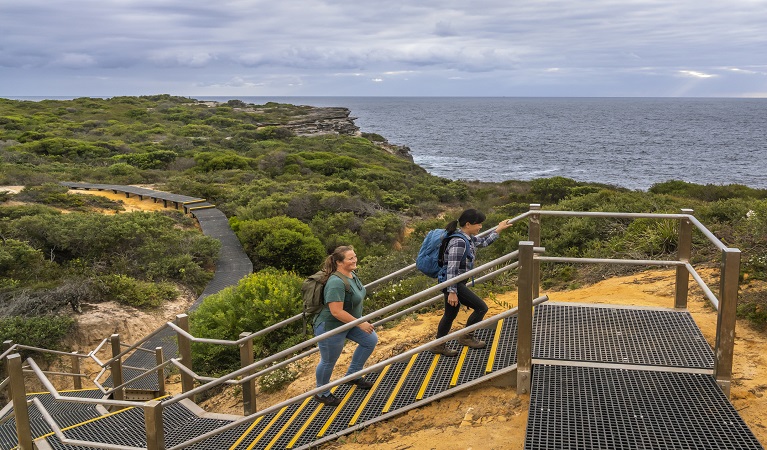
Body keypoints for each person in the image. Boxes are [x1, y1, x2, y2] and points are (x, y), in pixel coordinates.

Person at [431, 209, 513, 356]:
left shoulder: (467, 237)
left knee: (450, 315)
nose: (480, 227)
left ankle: (439, 344)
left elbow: (484, 242)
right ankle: (466, 337)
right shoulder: (459, 242)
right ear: (468, 224)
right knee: (481, 308)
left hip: (455, 282)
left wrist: (498, 230)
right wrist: (452, 291)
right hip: (454, 283)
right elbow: (452, 268)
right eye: (478, 224)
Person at [313, 245, 378, 406]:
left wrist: (359, 320)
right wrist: (360, 323)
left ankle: (353, 375)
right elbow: (336, 312)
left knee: (369, 341)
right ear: (339, 262)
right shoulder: (336, 282)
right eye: (350, 258)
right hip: (331, 327)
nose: (355, 259)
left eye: (355, 256)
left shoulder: (351, 274)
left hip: (349, 322)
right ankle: (322, 392)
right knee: (329, 360)